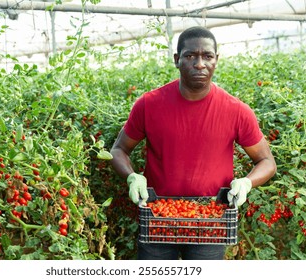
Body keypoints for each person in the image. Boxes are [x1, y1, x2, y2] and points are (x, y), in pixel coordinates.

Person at [109, 26, 277, 260]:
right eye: (190, 56)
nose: (200, 64)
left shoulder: (236, 110)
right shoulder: (149, 104)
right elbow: (119, 150)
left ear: (216, 60)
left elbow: (266, 161)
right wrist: (131, 176)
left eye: (207, 56)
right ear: (177, 60)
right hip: (158, 217)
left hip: (210, 221)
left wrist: (247, 182)